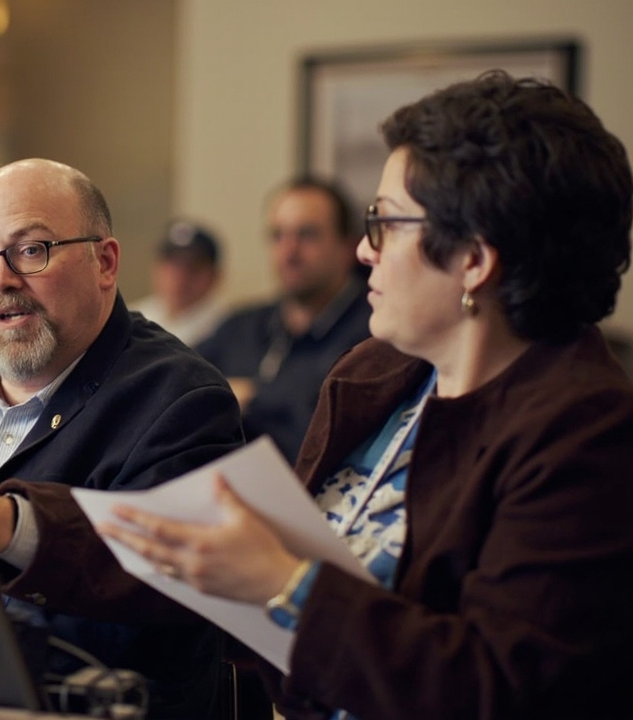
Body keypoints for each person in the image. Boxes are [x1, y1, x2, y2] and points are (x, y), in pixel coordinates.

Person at [101, 72, 633, 720]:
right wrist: (16, 528)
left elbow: (495, 690)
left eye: (382, 223)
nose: (362, 250)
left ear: (472, 258)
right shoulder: (381, 377)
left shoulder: (588, 433)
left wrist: (283, 583)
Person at [0, 158, 246, 717]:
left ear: (105, 262)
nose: (1, 278)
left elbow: (160, 591)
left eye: (31, 250)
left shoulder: (182, 400)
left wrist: (11, 530)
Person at [195, 177, 371, 464]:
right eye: (278, 235)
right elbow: (177, 384)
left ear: (346, 247)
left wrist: (253, 397)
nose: (289, 251)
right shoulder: (241, 326)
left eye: (307, 235)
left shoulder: (372, 334)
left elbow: (325, 427)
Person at [131, 219, 227, 347]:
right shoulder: (133, 316)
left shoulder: (226, 328)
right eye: (171, 265)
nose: (180, 277)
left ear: (214, 276)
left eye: (193, 267)